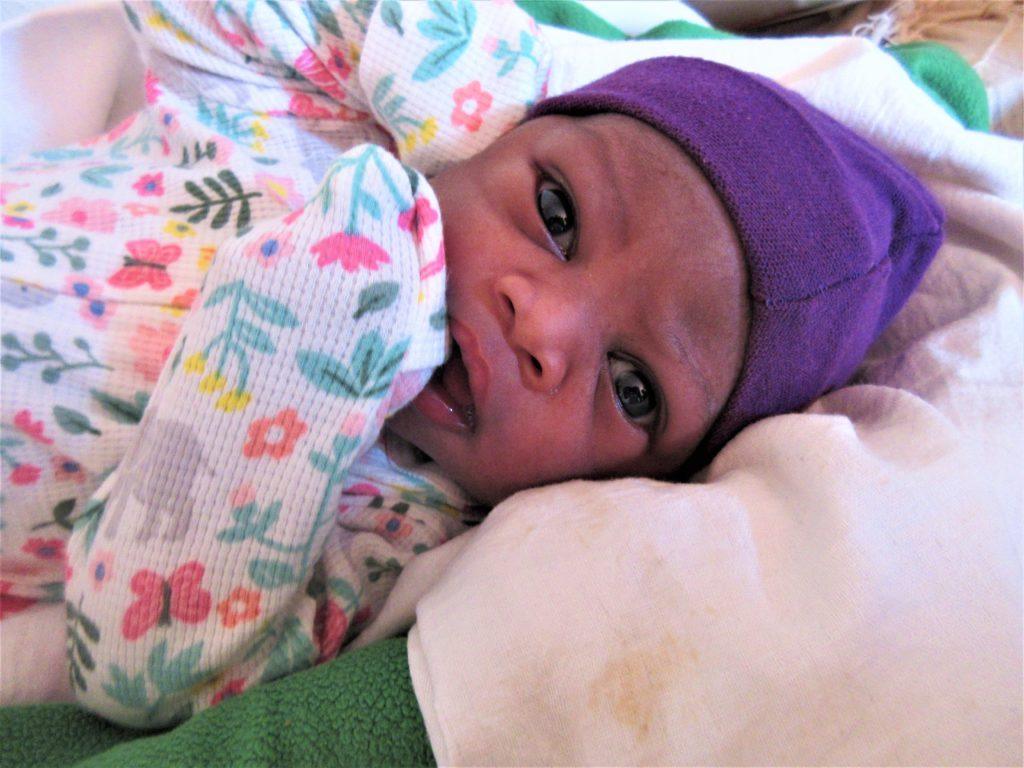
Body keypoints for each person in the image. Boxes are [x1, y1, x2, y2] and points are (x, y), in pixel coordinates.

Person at [0, 0, 941, 727]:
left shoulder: (400, 527)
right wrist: (464, 82)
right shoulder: (318, 131)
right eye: (558, 212)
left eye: (632, 387)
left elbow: (138, 667)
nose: (545, 326)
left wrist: (315, 329)